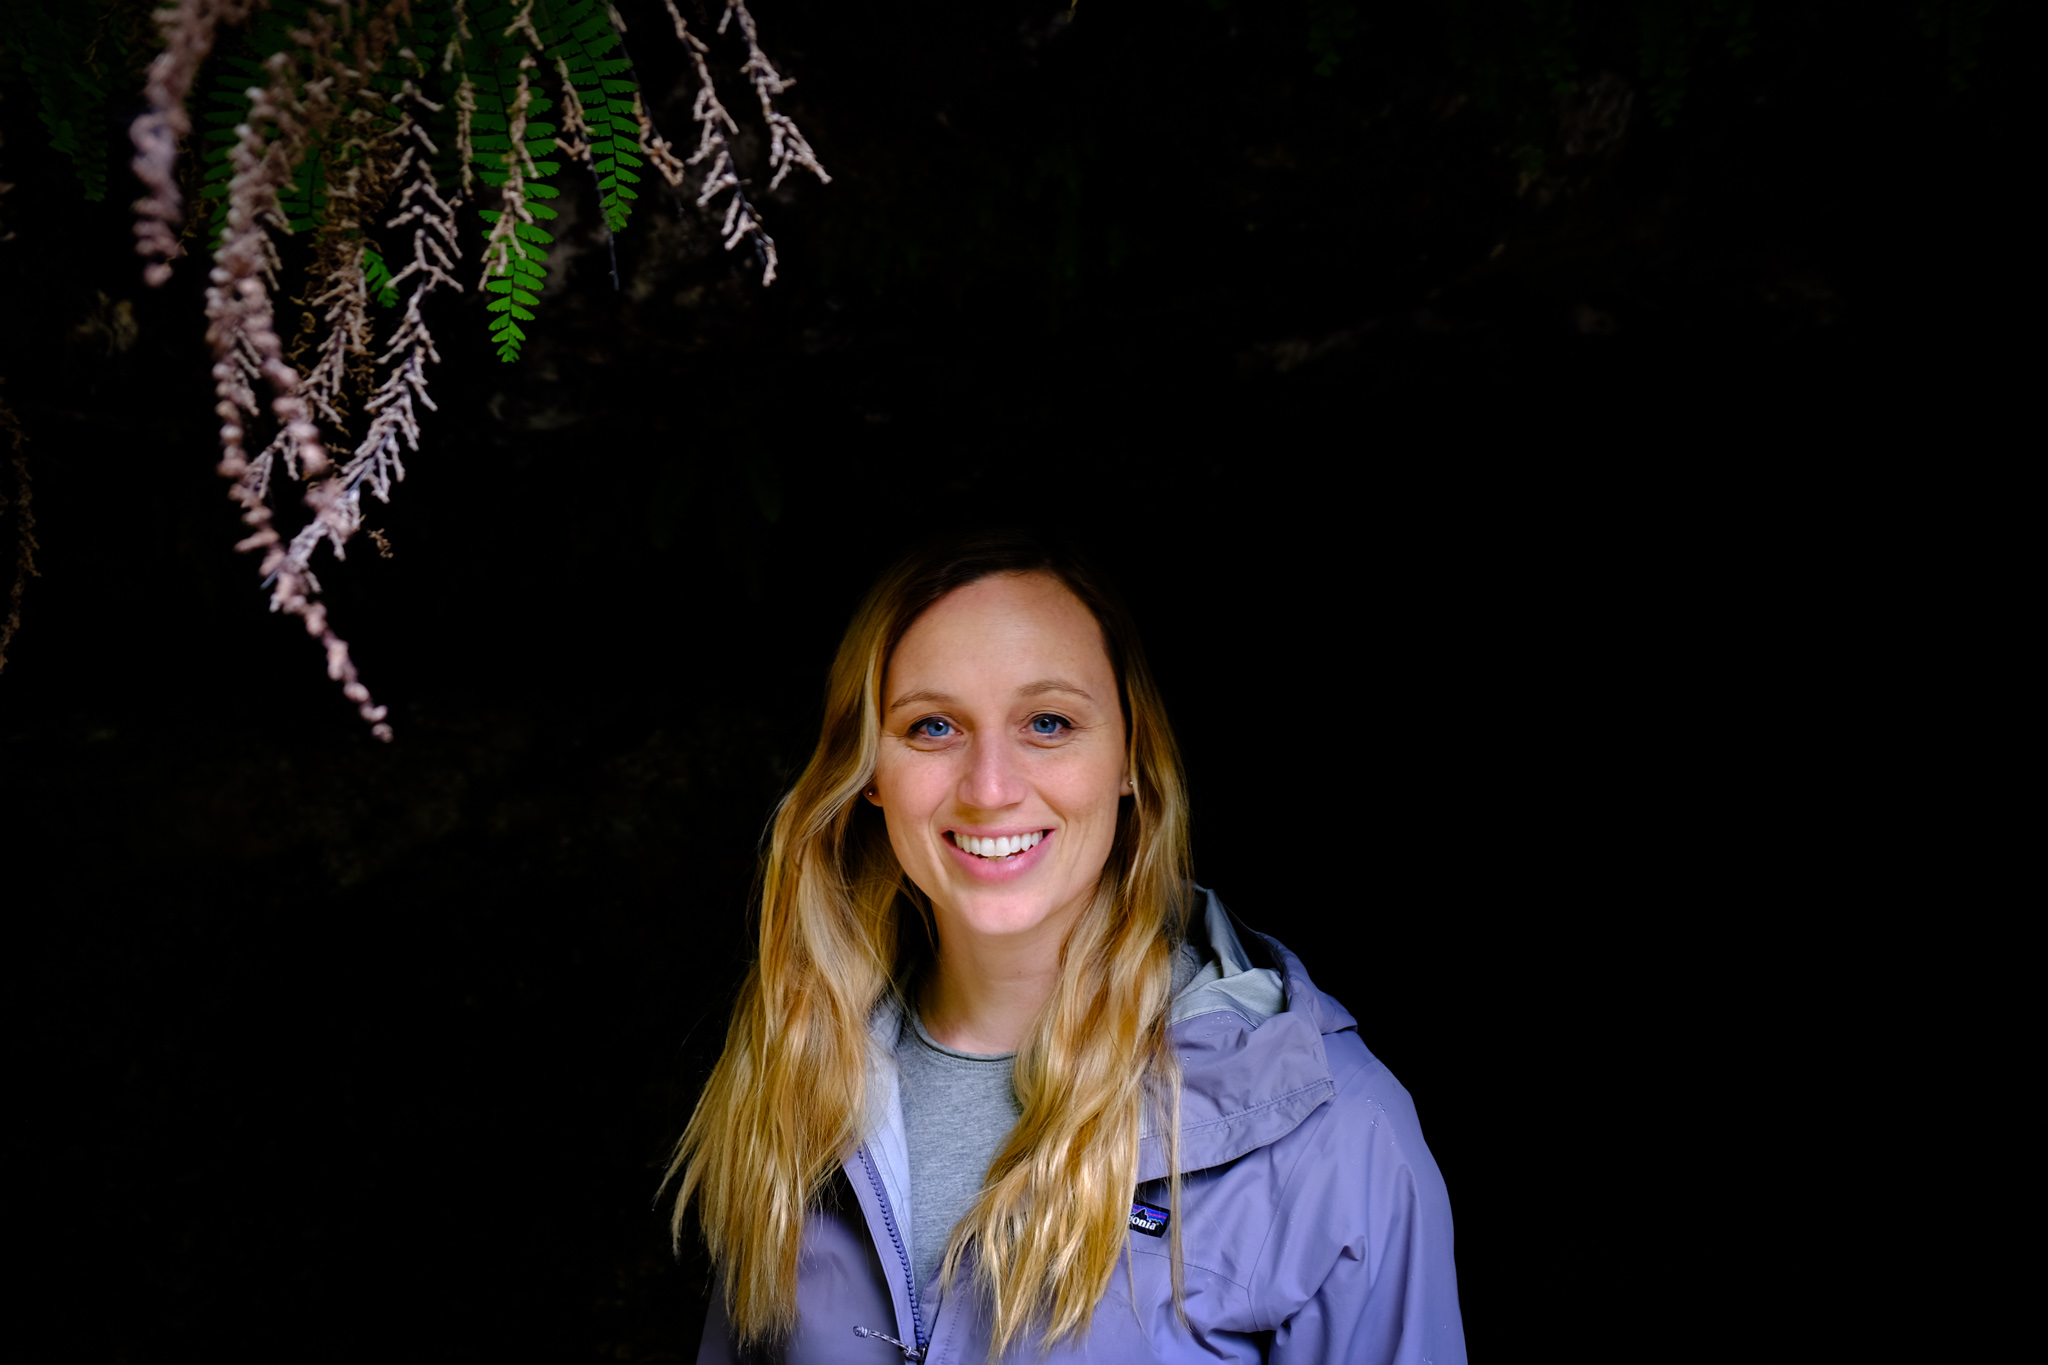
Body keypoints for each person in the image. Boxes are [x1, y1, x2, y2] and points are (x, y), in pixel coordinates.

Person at [671, 531, 1465, 1364]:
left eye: (1048, 722)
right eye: (932, 725)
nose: (989, 787)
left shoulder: (1329, 1127)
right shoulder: (800, 1079)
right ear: (869, 769)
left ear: (1130, 757)